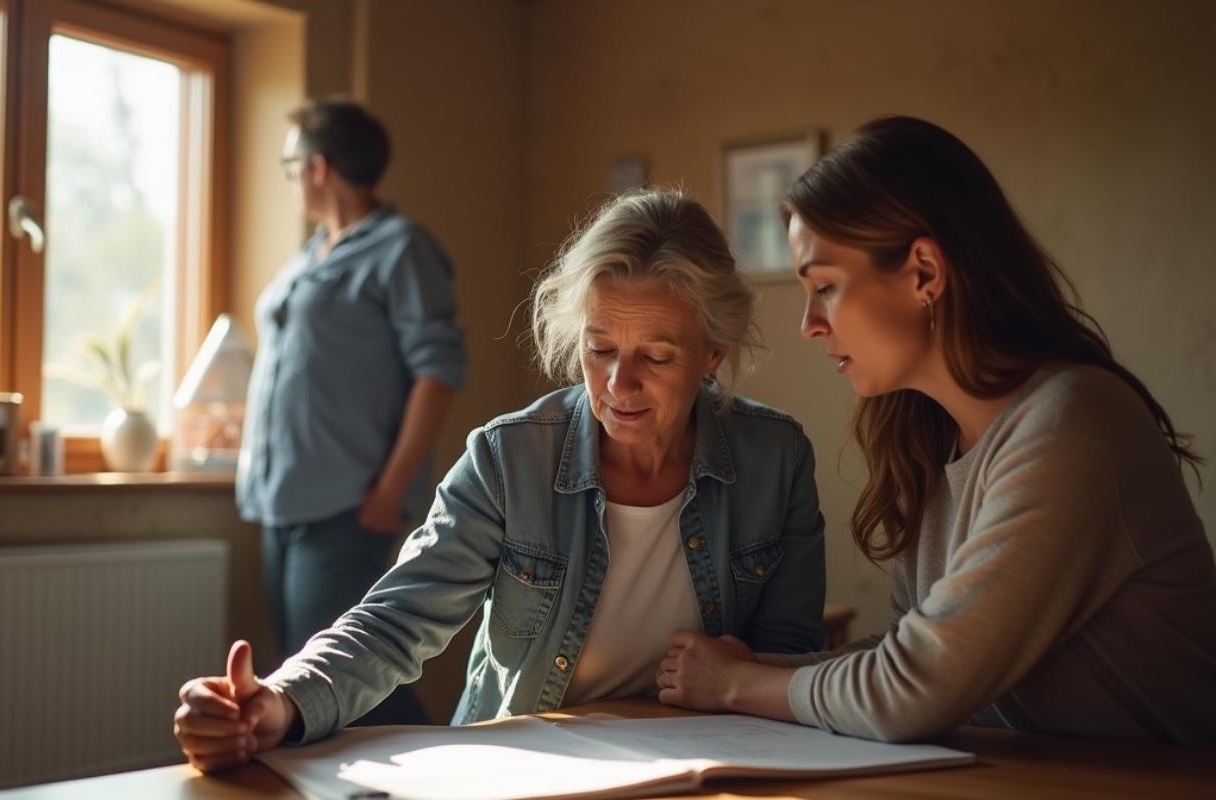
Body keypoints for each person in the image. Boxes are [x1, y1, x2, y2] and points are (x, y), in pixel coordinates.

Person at [655, 116, 1216, 751]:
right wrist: (745, 671)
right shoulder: (930, 438)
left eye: (825, 287)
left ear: (925, 272)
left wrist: (736, 685)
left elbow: (912, 691)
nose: (809, 324)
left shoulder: (1071, 426)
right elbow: (905, 655)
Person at [175, 189, 827, 772]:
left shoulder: (777, 459)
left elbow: (791, 652)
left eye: (656, 356)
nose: (619, 384)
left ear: (712, 354)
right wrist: (281, 699)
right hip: (524, 769)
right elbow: (397, 619)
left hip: (705, 769)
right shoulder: (508, 458)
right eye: (600, 349)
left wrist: (740, 674)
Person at [237, 98, 466, 726]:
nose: (289, 180)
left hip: (346, 504)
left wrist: (390, 491)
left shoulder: (401, 249)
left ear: (318, 167)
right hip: (281, 501)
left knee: (343, 677)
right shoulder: (311, 253)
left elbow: (439, 374)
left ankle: (444, 767)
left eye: (289, 165)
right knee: (298, 670)